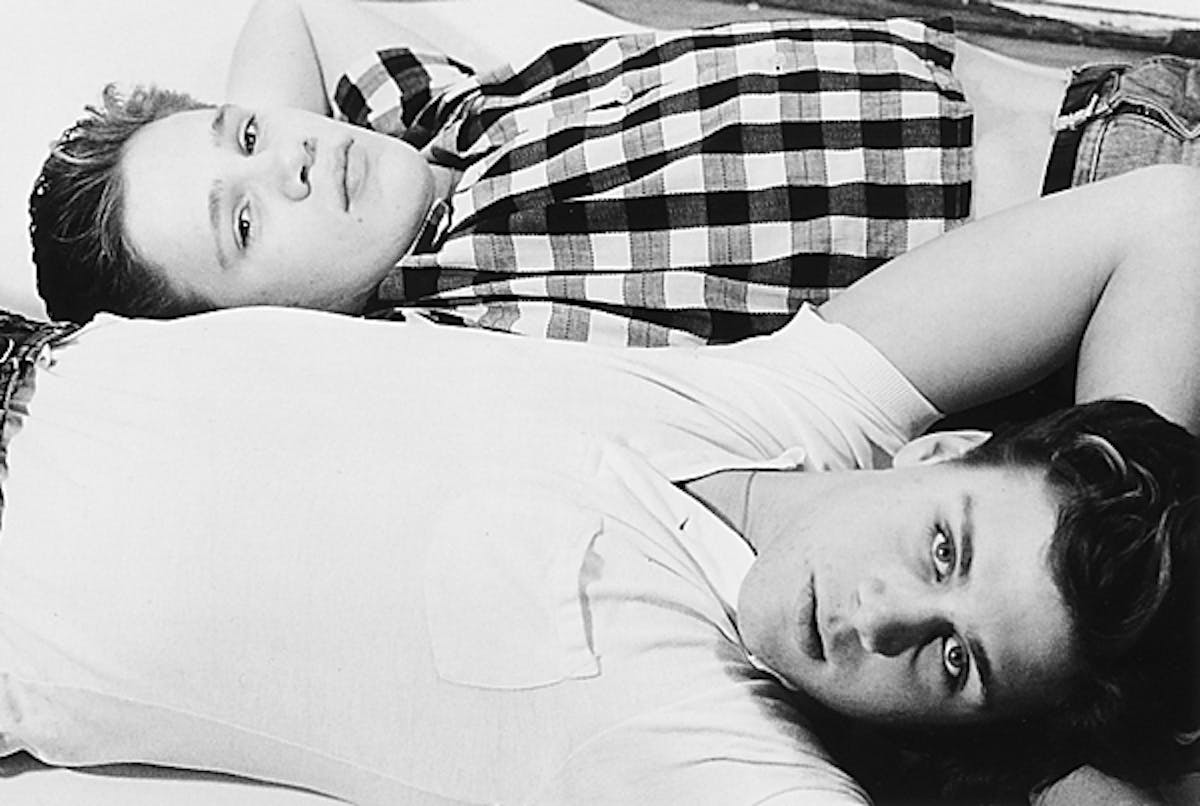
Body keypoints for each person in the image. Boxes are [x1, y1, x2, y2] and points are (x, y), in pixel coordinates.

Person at [3, 167, 1198, 804]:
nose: (880, 617)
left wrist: (1090, 748)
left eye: (955, 662)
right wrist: (1141, 534)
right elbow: (1172, 218)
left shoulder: (715, 749)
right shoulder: (796, 405)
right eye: (944, 549)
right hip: (42, 351)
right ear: (937, 455)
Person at [28, 0, 1200, 343]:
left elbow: (279, 20)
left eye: (246, 137)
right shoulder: (446, 322)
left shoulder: (426, 117)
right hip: (1118, 253)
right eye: (240, 226)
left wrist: (251, 157)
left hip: (1115, 94)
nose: (287, 162)